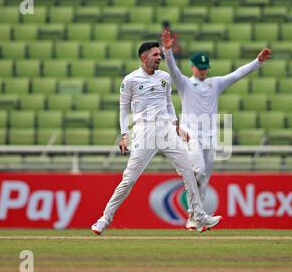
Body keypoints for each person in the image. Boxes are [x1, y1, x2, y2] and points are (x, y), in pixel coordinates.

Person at [91, 41, 222, 236]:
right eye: (155, 55)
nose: (159, 57)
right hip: (144, 131)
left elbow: (168, 103)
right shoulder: (130, 80)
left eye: (160, 54)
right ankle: (104, 219)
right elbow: (123, 108)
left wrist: (178, 128)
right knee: (129, 179)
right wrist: (125, 135)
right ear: (144, 58)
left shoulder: (164, 78)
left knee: (189, 170)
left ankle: (199, 215)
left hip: (166, 129)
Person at [162, 30, 271, 230]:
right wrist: (167, 51)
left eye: (205, 68)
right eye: (199, 67)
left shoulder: (215, 83)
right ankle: (196, 214)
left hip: (210, 138)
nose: (202, 71)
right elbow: (172, 69)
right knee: (198, 170)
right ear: (192, 67)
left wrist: (258, 61)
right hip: (190, 136)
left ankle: (194, 218)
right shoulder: (185, 84)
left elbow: (238, 74)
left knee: (204, 180)